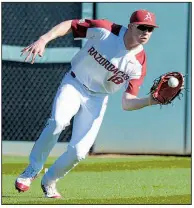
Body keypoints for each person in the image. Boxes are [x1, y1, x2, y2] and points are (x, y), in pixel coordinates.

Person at [15, 9, 159, 198]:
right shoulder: (106, 30)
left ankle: (49, 181)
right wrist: (44, 39)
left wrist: (151, 100)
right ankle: (32, 169)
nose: (146, 32)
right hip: (75, 83)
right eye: (142, 27)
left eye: (150, 29)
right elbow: (70, 25)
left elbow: (127, 102)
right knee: (58, 121)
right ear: (131, 26)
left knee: (79, 152)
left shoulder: (139, 62)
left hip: (98, 98)